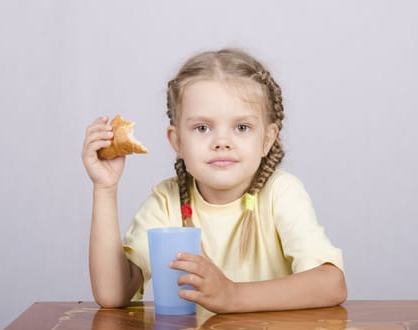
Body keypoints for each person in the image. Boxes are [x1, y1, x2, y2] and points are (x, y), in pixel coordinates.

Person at [82, 48, 347, 313]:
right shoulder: (167, 202)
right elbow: (112, 293)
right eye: (202, 128)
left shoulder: (281, 193)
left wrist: (232, 296)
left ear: (267, 139)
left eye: (241, 127)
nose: (222, 142)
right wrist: (105, 189)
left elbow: (331, 284)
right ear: (178, 142)